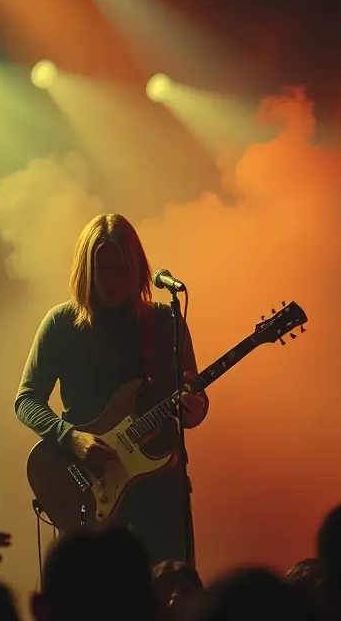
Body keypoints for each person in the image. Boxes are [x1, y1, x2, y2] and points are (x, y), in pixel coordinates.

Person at [14, 213, 208, 564]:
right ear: (85, 271)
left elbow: (192, 393)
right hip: (90, 489)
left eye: (120, 269)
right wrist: (72, 437)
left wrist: (197, 408)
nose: (112, 280)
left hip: (161, 490)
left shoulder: (165, 321)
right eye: (102, 270)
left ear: (136, 268)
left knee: (170, 599)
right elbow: (26, 399)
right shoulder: (61, 323)